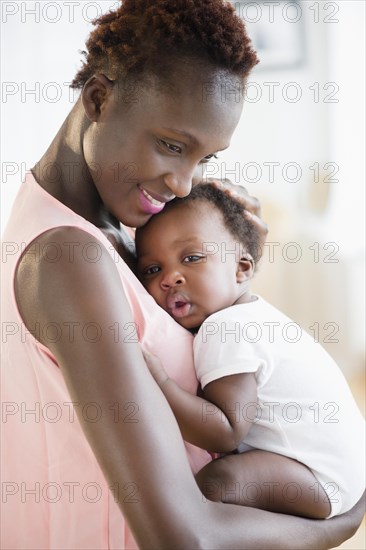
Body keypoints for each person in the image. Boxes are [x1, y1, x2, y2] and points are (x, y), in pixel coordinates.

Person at [1, 0, 364, 548]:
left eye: (206, 159)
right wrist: (343, 520)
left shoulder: (121, 226)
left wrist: (227, 274)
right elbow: (182, 536)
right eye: (172, 146)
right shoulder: (67, 260)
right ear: (99, 98)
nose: (182, 184)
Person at [135, 183, 366, 520]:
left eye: (192, 258)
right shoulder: (254, 315)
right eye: (152, 270)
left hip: (318, 477)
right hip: (343, 467)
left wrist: (159, 385)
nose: (170, 277)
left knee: (218, 482)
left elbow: (226, 431)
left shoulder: (225, 327)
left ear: (242, 268)